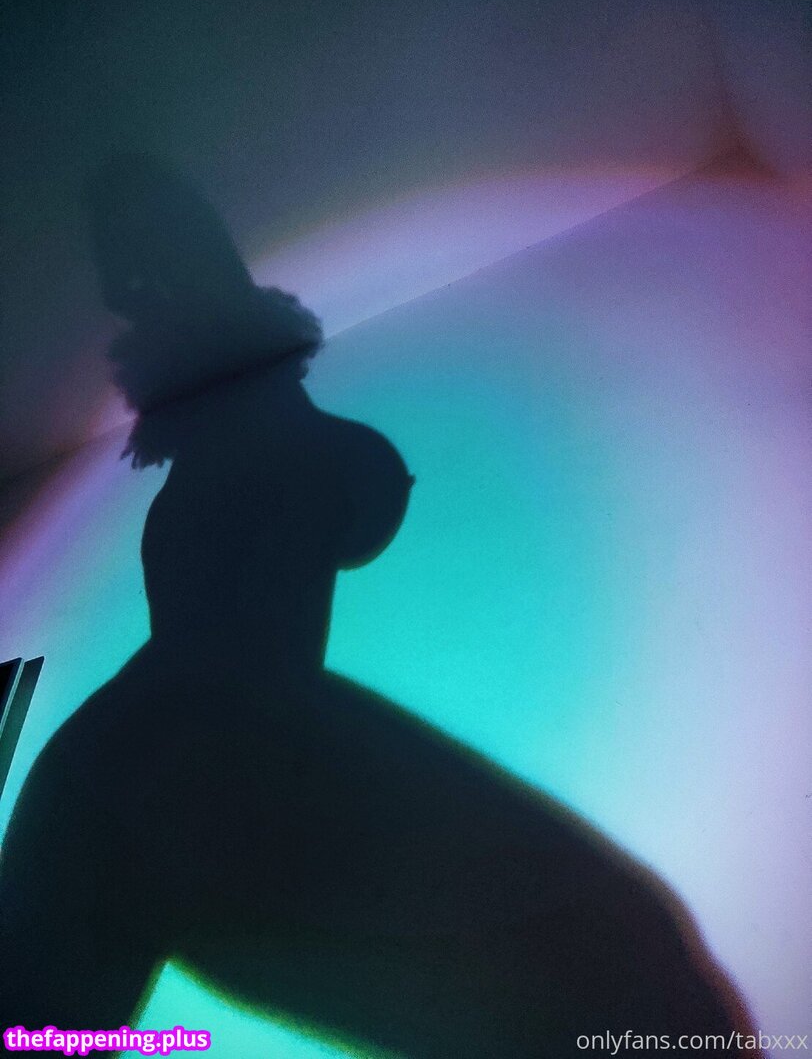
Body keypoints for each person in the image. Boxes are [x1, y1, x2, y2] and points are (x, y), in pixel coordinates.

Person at [0, 155, 757, 1058]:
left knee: (635, 976)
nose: (136, 288)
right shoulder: (270, 454)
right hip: (199, 754)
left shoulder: (283, 446)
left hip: (215, 747)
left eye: (148, 260)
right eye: (129, 268)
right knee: (632, 975)